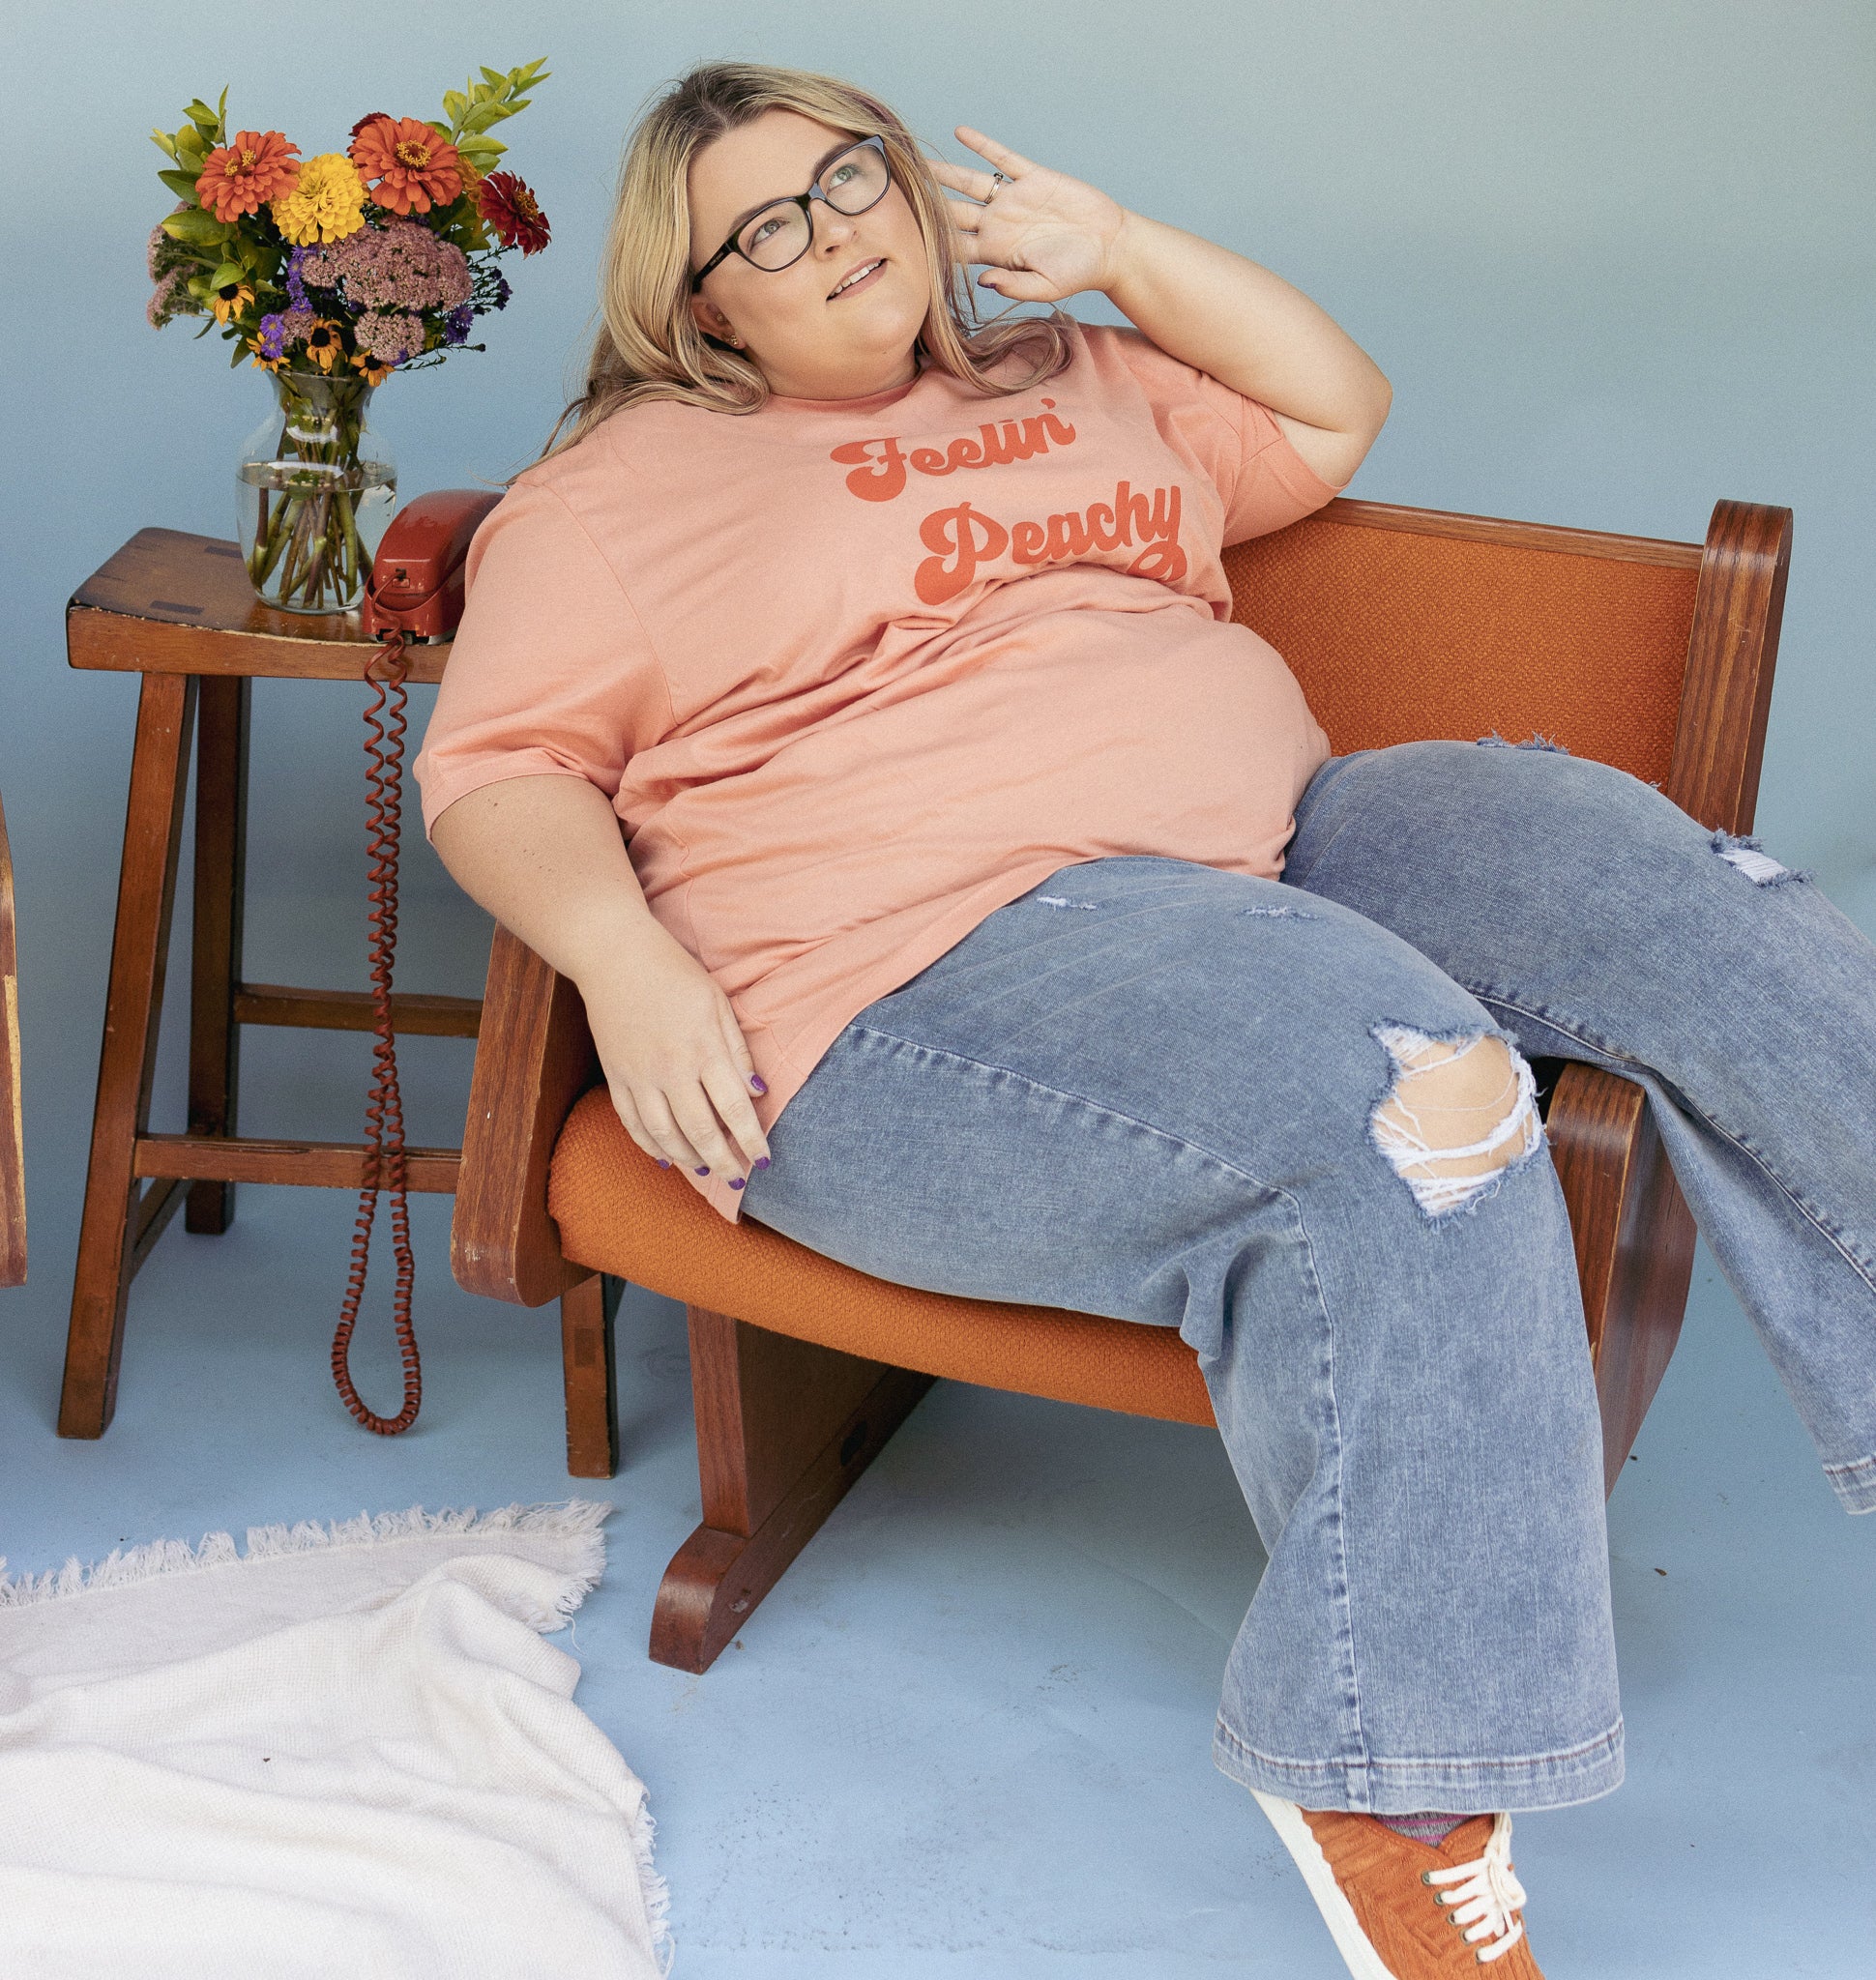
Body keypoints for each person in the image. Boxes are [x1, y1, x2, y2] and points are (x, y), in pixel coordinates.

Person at [414, 60, 1876, 1980]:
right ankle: (1393, 1775)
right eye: (765, 228)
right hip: (916, 967)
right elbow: (496, 770)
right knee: (1418, 1105)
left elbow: (1332, 406)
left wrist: (1119, 251)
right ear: (701, 308)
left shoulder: (1073, 374)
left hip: (1277, 841)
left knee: (1699, 903)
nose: (835, 231)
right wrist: (625, 957)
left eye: (850, 177)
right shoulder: (617, 497)